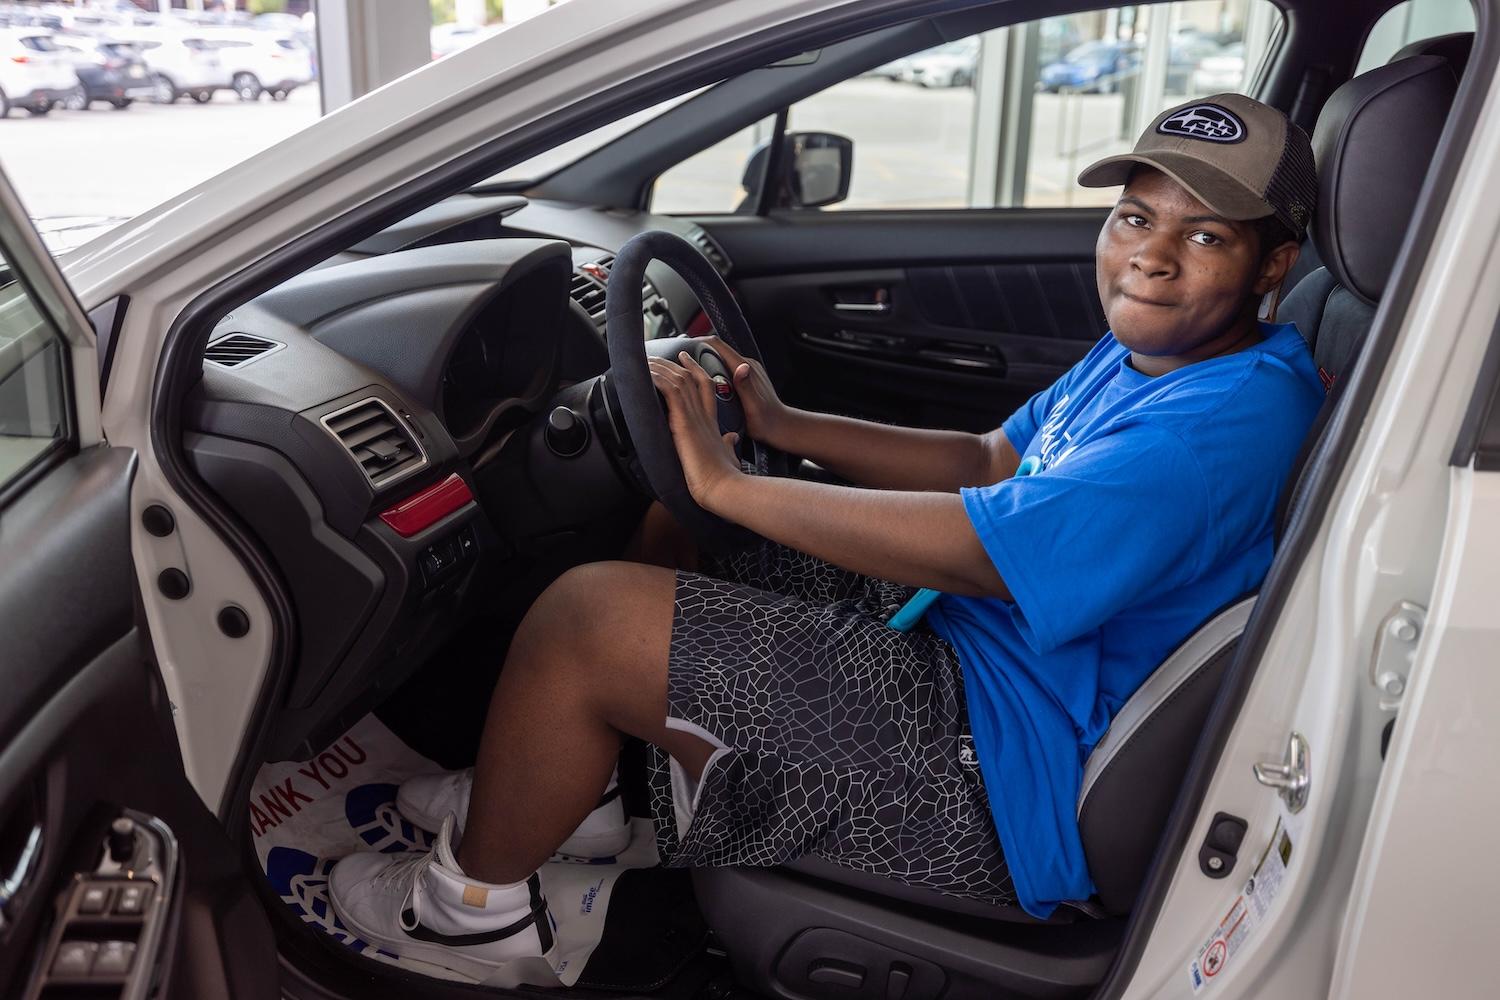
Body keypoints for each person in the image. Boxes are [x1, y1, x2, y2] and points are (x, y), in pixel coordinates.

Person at [327, 93, 1323, 978]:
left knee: (587, 617)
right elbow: (987, 461)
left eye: (1206, 238)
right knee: (682, 513)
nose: (1150, 253)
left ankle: (469, 916)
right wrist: (778, 424)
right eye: (1136, 217)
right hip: (982, 656)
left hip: (1003, 769)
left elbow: (988, 547)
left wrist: (733, 481)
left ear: (1273, 263)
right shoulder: (1152, 356)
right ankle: (568, 795)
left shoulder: (1227, 418)